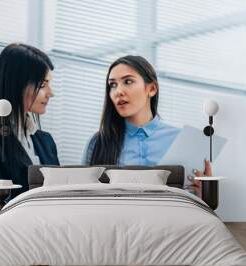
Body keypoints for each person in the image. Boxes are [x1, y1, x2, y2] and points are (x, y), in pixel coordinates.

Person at [83, 55, 210, 195]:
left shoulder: (183, 140)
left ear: (152, 89)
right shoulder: (98, 143)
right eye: (113, 85)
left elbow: (198, 199)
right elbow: (83, 197)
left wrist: (204, 193)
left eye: (128, 81)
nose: (118, 91)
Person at [0, 43, 60, 221]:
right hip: (13, 235)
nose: (51, 93)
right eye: (43, 85)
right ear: (17, 84)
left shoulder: (46, 141)